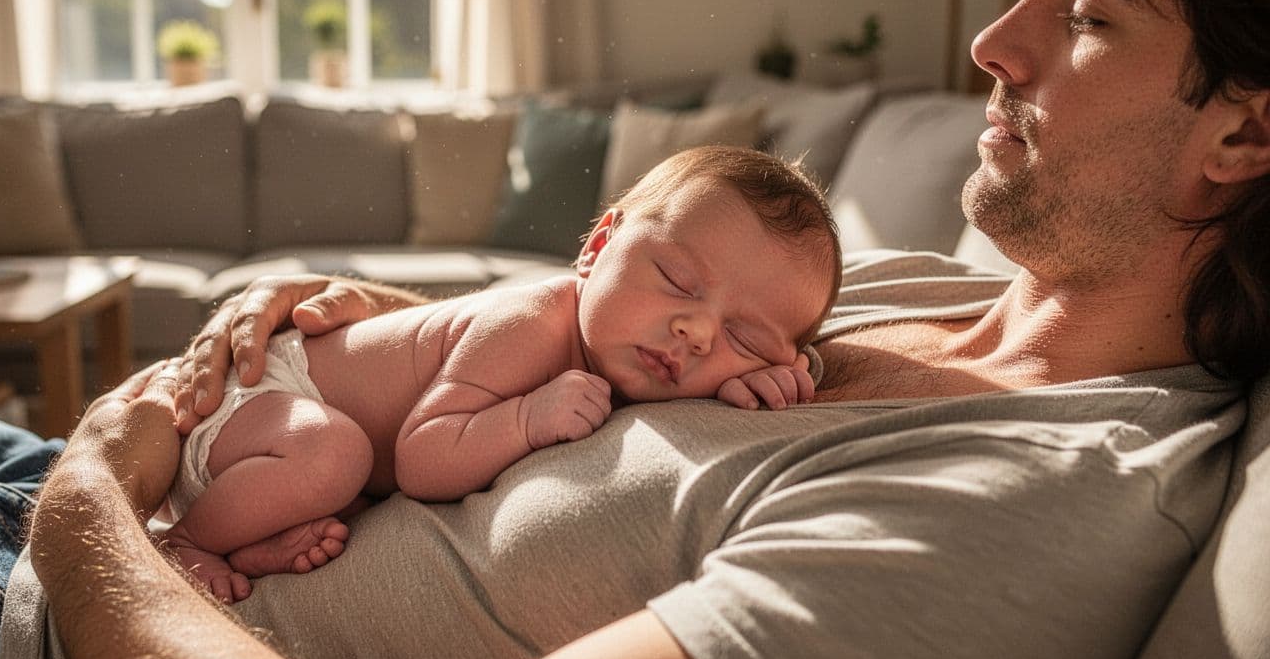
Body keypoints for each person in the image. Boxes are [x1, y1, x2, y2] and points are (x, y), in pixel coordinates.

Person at [0, 0, 1270, 659]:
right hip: (93, 510)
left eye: (1088, 11)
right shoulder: (936, 290)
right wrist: (360, 334)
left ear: (1243, 137)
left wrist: (93, 497)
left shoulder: (1026, 511)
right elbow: (610, 346)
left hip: (36, 639)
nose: (995, 39)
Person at [161, 146, 840, 603]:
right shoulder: (535, 322)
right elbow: (424, 457)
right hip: (260, 401)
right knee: (333, 453)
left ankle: (255, 539)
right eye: (676, 279)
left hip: (282, 452)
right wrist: (527, 418)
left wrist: (766, 380)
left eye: (745, 338)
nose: (697, 332)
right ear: (600, 247)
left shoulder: (649, 350)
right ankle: (187, 541)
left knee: (342, 482)